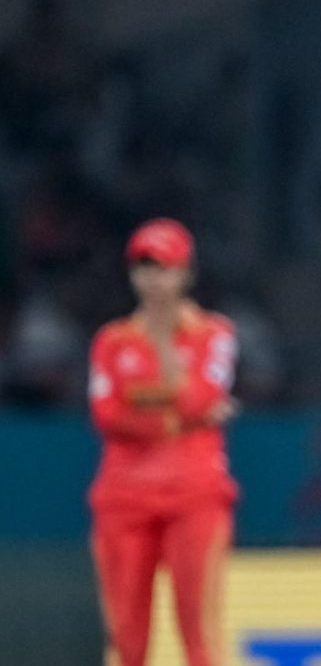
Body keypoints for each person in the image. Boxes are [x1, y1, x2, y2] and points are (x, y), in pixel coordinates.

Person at [88, 218, 239, 666]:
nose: (153, 279)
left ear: (186, 272)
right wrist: (177, 417)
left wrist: (157, 366)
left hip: (196, 496)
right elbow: (106, 415)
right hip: (122, 498)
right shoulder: (112, 341)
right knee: (127, 639)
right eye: (143, 267)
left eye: (164, 267)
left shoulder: (214, 333)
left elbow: (202, 397)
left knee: (200, 634)